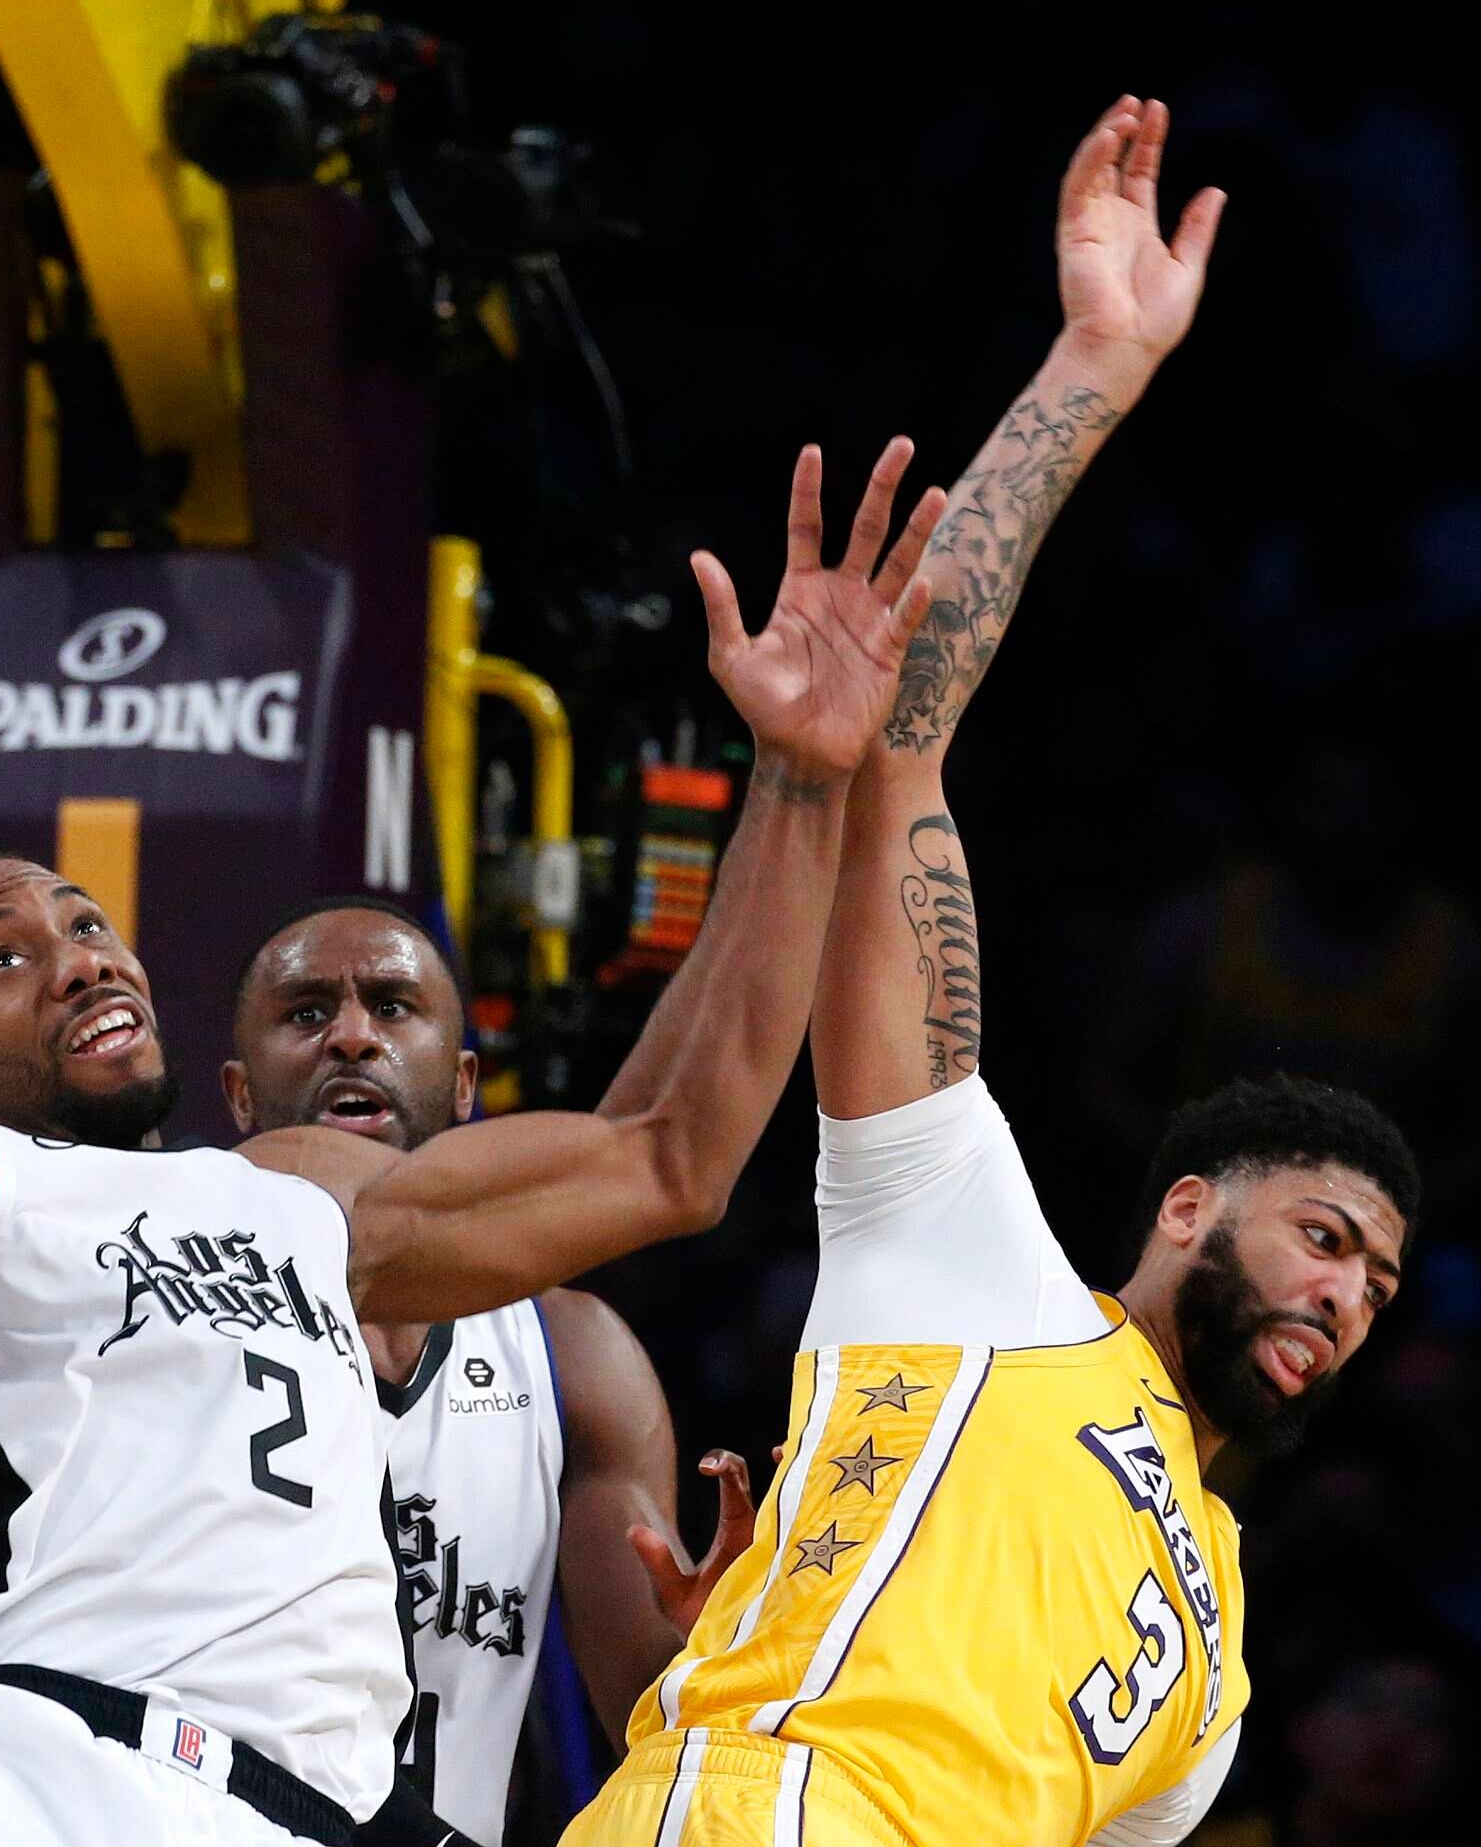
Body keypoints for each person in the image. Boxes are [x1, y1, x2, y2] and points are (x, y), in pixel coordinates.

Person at [0, 397, 938, 1847]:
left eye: (86, 923)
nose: (81, 958)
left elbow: (668, 1151)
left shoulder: (298, 1197)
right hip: (7, 1782)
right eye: (6, 957)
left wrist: (801, 775)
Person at [567, 101, 1417, 1847]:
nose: (1349, 1299)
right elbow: (900, 742)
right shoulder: (974, 1254)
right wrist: (1098, 365)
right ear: (1187, 1207)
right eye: (1327, 1238)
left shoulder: (1215, 1674)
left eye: (1379, 1288)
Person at [222, 899, 759, 1843]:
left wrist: (720, 1647)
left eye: (393, 1007)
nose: (352, 1036)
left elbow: (653, 1716)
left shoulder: (571, 1354)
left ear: (465, 1082)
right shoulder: (165, 1315)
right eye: (306, 1012)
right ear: (238, 1096)